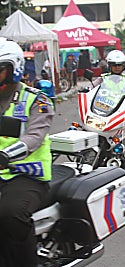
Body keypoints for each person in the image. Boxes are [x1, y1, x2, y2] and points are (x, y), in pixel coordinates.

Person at [0, 38, 55, 267]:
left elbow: (34, 135)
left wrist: (6, 155)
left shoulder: (36, 99)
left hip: (26, 176)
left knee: (9, 214)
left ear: (15, 69)